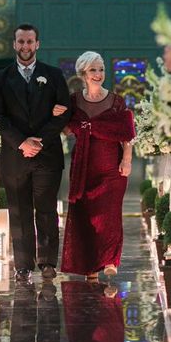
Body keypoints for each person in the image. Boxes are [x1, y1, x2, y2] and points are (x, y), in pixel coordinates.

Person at [0, 23, 71, 281]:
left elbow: (64, 112)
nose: (25, 46)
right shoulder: (0, 78)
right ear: (14, 45)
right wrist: (22, 142)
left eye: (30, 42)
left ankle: (47, 262)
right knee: (19, 211)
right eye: (21, 42)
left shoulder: (54, 75)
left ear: (38, 44)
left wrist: (39, 141)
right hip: (14, 156)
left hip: (47, 155)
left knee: (46, 209)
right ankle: (22, 265)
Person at [60, 51, 135, 281]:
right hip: (83, 168)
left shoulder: (116, 101)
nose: (98, 74)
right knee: (86, 217)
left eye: (101, 69)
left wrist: (127, 160)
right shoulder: (73, 101)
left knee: (109, 216)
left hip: (112, 168)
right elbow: (64, 129)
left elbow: (128, 135)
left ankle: (111, 260)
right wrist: (58, 115)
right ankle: (89, 266)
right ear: (83, 73)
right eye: (93, 70)